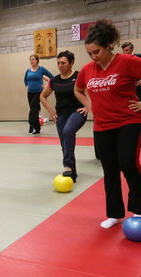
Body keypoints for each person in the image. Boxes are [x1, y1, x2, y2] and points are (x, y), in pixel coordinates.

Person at [74, 19, 141, 229]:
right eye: (90, 53)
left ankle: (139, 209)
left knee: (127, 162)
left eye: (97, 52)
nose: (94, 57)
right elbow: (78, 89)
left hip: (128, 121)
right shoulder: (87, 69)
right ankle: (115, 213)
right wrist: (90, 105)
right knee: (109, 169)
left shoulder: (128, 61)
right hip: (102, 126)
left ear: (108, 46)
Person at [40, 51, 87, 182]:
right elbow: (42, 96)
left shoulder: (79, 76)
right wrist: (51, 111)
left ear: (71, 63)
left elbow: (92, 91)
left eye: (63, 63)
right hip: (61, 114)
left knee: (68, 131)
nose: (60, 65)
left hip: (77, 111)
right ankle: (72, 174)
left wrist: (88, 106)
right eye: (58, 63)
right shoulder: (54, 80)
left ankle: (66, 165)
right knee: (64, 144)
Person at [24, 54, 54, 134]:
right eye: (30, 59)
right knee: (34, 109)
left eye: (33, 59)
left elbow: (52, 77)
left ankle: (31, 122)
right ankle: (37, 128)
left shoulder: (41, 69)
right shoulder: (28, 70)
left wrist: (47, 86)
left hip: (38, 92)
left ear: (37, 60)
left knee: (33, 107)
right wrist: (27, 85)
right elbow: (25, 79)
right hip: (30, 92)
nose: (31, 61)